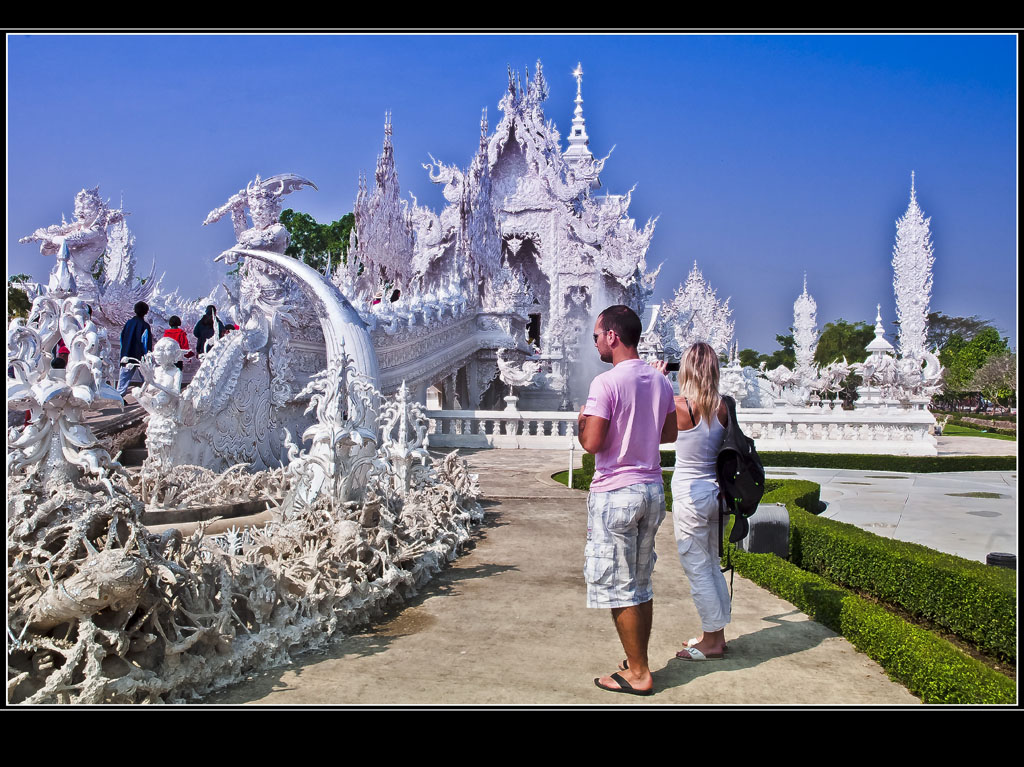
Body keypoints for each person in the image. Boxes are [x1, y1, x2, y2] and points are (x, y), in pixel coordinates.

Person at [578, 305, 678, 696]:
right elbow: (669, 433)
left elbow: (592, 443)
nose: (597, 342)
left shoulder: (605, 383)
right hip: (651, 490)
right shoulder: (658, 380)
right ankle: (638, 660)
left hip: (616, 491)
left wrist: (582, 418)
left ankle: (638, 673)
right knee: (639, 581)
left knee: (619, 586)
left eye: (597, 336)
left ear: (613, 337)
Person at [662, 342, 732, 662]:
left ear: (686, 369)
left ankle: (712, 642)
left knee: (697, 567)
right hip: (717, 494)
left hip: (690, 495)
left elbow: (649, 419)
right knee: (711, 564)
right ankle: (714, 634)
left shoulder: (679, 405)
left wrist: (657, 379)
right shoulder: (723, 406)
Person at [117, 301, 153, 398]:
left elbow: (122, 338)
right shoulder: (145, 326)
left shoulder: (128, 323)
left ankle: (119, 398)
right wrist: (147, 356)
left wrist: (124, 350)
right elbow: (145, 342)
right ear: (146, 312)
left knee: (123, 379)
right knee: (146, 378)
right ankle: (148, 396)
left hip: (126, 354)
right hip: (139, 357)